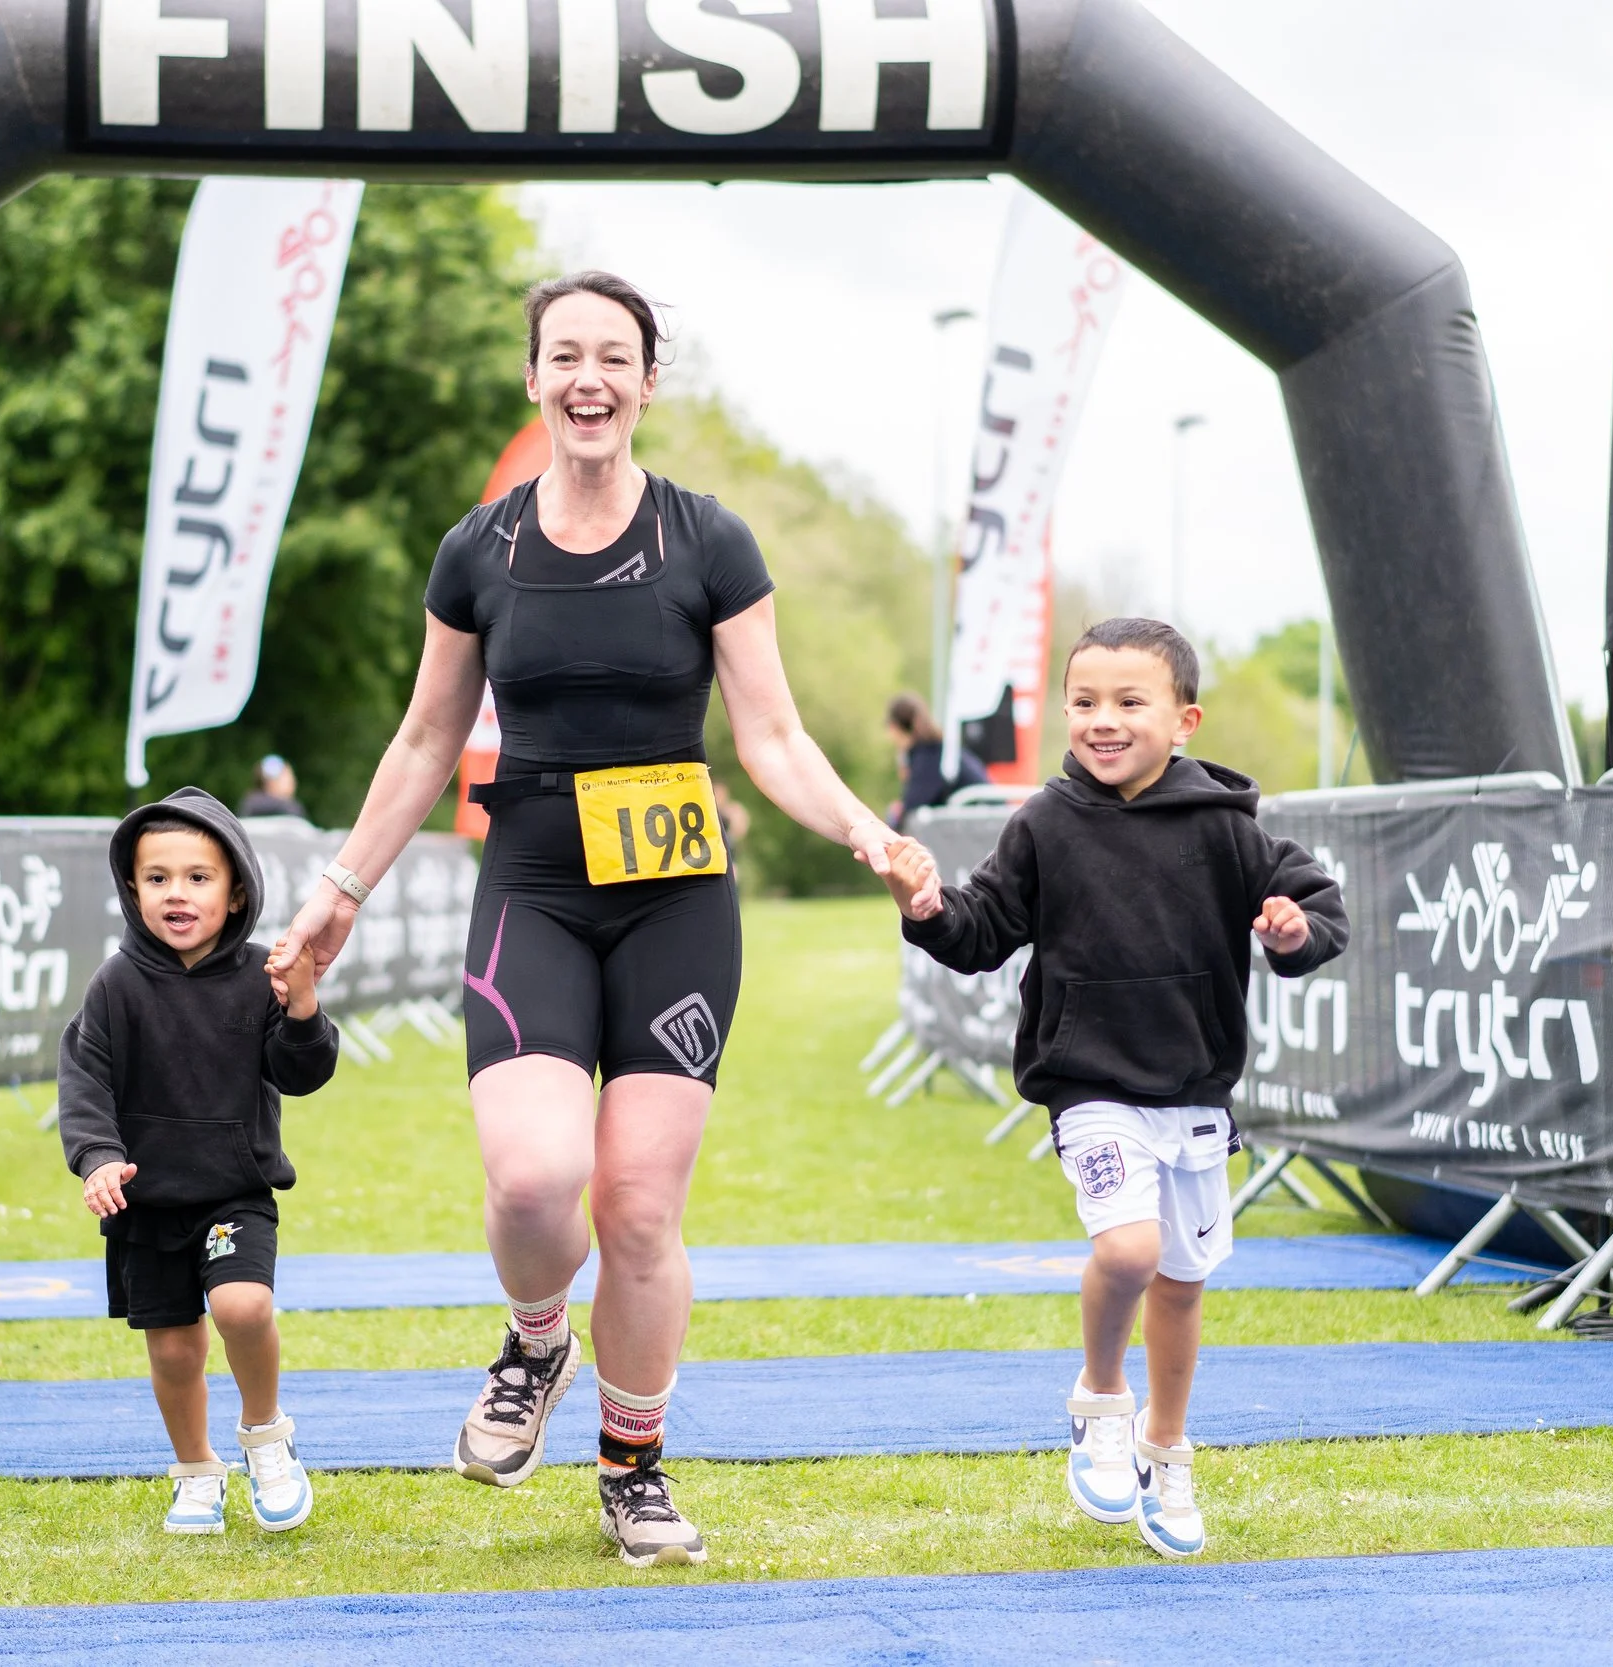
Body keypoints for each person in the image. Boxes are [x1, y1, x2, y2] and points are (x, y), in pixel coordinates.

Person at [272, 271, 927, 1568]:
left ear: (645, 381)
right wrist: (337, 889)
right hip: (534, 883)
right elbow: (423, 738)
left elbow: (774, 733)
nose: (588, 377)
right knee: (531, 1177)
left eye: (613, 356)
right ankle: (534, 1337)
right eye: (564, 354)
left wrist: (866, 828)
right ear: (533, 378)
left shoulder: (708, 541)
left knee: (635, 1208)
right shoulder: (480, 550)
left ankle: (634, 1464)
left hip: (677, 895)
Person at [881, 617, 1345, 1559]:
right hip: (1090, 1085)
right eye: (1084, 702)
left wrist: (1294, 932)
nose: (1103, 720)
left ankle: (1166, 1451)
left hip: (1195, 1093)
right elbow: (981, 929)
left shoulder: (1226, 826)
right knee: (1129, 1251)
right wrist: (924, 906)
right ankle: (1100, 1397)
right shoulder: (1044, 824)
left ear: (1184, 719)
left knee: (1181, 1281)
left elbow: (1319, 904)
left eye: (1129, 702)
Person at [58, 786, 340, 1537]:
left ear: (236, 888)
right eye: (157, 878)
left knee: (242, 1306)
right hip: (147, 1205)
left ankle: (266, 1437)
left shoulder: (262, 974)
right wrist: (98, 1158)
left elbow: (303, 1071)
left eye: (197, 876)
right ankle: (195, 1470)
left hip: (234, 1193)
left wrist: (304, 1005)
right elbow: (84, 1078)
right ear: (132, 888)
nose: (175, 893)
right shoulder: (115, 983)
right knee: (176, 1350)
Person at [883, 692, 987, 830]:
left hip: (978, 830)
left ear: (894, 727)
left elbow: (911, 808)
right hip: (982, 825)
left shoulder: (928, 756)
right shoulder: (940, 750)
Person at [238, 755, 308, 821]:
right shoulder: (290, 808)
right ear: (271, 781)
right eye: (289, 777)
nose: (294, 783)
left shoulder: (248, 804)